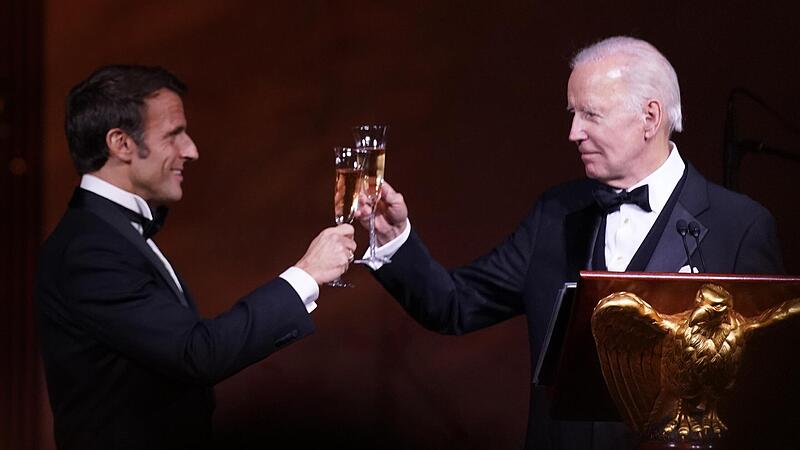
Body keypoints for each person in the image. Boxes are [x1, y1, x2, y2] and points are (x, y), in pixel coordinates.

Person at [355, 36, 784, 449]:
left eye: (590, 115)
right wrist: (395, 240)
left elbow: (765, 399)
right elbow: (453, 305)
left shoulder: (740, 226)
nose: (573, 132)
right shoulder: (554, 216)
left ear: (650, 118)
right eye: (573, 114)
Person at [35, 65, 357, 450]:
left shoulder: (108, 233)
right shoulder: (89, 248)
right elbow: (197, 353)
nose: (191, 150)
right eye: (174, 135)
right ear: (121, 144)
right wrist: (306, 274)